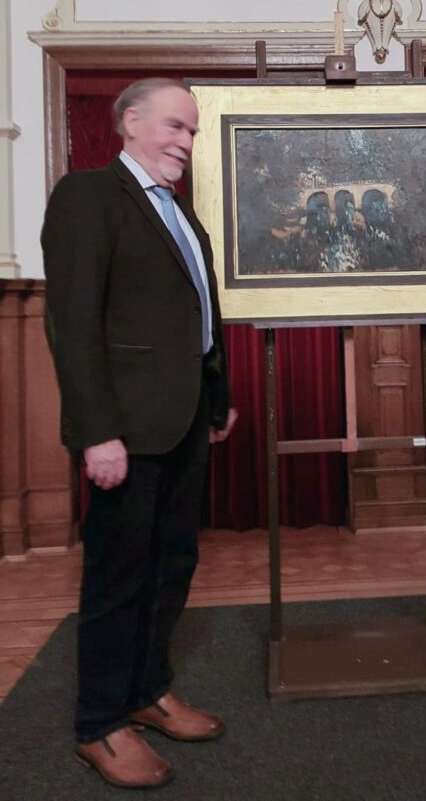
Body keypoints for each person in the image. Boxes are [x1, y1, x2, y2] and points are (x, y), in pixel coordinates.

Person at [41, 78, 238, 788]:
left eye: (192, 131)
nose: (186, 142)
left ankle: (148, 691)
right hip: (124, 431)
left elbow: (199, 318)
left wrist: (220, 401)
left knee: (172, 564)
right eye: (175, 127)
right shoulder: (87, 197)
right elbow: (72, 325)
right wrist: (97, 432)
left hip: (185, 422)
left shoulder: (180, 212)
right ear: (130, 123)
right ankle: (99, 723)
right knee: (118, 578)